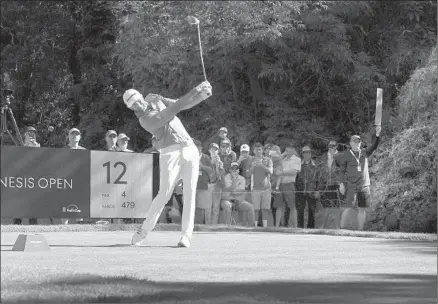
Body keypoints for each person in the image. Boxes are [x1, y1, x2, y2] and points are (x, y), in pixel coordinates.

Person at [123, 81, 212, 247]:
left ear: (141, 97)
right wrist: (197, 89)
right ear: (131, 108)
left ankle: (186, 236)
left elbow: (181, 103)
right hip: (169, 152)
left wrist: (202, 96)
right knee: (164, 193)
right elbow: (174, 109)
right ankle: (143, 231)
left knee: (190, 193)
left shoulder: (155, 101)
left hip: (190, 148)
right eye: (133, 105)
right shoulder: (145, 120)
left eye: (138, 100)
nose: (138, 105)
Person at [338, 126, 381, 230]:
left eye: (358, 142)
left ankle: (360, 230)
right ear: (350, 143)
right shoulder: (346, 155)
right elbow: (342, 171)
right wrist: (341, 184)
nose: (357, 143)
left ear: (360, 143)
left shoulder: (365, 152)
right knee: (348, 208)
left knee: (362, 209)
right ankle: (341, 229)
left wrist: (378, 135)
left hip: (364, 185)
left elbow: (374, 146)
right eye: (355, 142)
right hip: (351, 185)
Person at [275, 145, 301, 228]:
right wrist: (282, 155)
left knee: (292, 206)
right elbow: (276, 168)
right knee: (279, 206)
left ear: (293, 149)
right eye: (286, 148)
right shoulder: (282, 159)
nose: (287, 150)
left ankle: (295, 227)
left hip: (289, 184)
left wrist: (282, 172)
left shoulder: (297, 159)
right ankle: (276, 227)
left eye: (289, 148)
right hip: (280, 185)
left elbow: (294, 171)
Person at [249, 142, 273, 227]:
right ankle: (255, 226)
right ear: (253, 151)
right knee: (256, 209)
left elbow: (271, 171)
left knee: (265, 209)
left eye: (260, 149)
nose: (258, 151)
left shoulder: (268, 160)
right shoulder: (251, 160)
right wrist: (253, 166)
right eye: (256, 150)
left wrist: (261, 165)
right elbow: (248, 174)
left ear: (262, 150)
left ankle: (265, 227)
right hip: (255, 188)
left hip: (266, 188)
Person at [296, 146, 319, 228]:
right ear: (302, 154)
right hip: (300, 190)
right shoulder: (298, 166)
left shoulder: (315, 166)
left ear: (311, 154)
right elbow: (296, 179)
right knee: (300, 210)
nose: (307, 154)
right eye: (305, 153)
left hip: (311, 190)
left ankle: (311, 228)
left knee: (312, 210)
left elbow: (318, 180)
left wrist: (317, 191)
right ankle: (300, 227)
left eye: (308, 152)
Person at [194, 140, 214, 224]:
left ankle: (199, 225)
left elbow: (210, 170)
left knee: (200, 207)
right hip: (191, 186)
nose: (196, 149)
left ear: (201, 148)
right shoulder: (189, 157)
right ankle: (190, 225)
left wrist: (202, 166)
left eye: (198, 147)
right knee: (191, 207)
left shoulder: (205, 157)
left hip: (202, 186)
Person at [209, 143, 226, 225]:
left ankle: (214, 226)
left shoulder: (221, 163)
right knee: (207, 207)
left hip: (217, 186)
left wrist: (218, 165)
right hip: (208, 185)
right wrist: (212, 163)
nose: (213, 151)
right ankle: (206, 225)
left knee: (216, 207)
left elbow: (222, 175)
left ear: (218, 151)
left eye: (215, 149)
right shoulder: (206, 160)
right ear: (209, 150)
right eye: (212, 149)